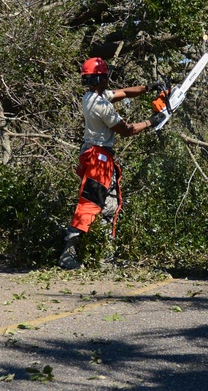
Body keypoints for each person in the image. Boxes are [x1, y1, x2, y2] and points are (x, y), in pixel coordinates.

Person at [58, 57, 168, 270]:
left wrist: (147, 88)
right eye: (106, 76)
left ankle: (105, 255)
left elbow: (125, 93)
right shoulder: (101, 106)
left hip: (100, 157)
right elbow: (126, 130)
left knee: (110, 204)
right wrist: (151, 122)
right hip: (98, 159)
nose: (109, 80)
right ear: (101, 78)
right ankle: (67, 255)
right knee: (90, 204)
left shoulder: (91, 96)